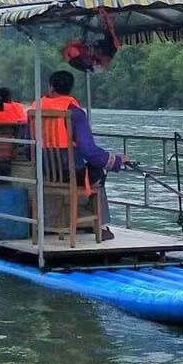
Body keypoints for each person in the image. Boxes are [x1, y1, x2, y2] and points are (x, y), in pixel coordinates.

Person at [36, 70, 126, 240]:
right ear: (70, 89)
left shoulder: (36, 109)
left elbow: (28, 146)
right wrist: (116, 161)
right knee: (99, 168)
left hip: (43, 171)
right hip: (71, 174)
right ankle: (100, 225)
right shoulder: (76, 114)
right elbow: (89, 152)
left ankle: (56, 221)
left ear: (51, 88)